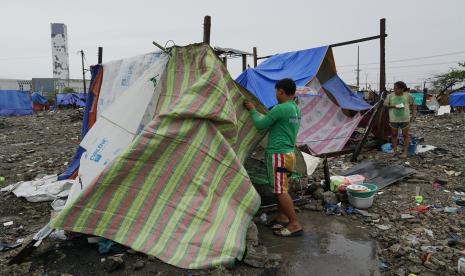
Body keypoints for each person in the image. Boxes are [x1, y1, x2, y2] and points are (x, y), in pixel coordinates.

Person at [244, 78, 303, 237]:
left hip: (279, 154)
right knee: (282, 188)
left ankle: (294, 223)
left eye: (276, 91)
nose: (275, 94)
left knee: (280, 191)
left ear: (281, 92)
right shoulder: (296, 109)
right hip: (289, 154)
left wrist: (252, 110)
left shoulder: (281, 108)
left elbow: (260, 124)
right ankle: (283, 217)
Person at [384, 81, 417, 158]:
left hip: (405, 119)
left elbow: (413, 105)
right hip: (393, 119)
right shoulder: (390, 96)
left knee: (405, 135)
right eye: (394, 88)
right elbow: (385, 105)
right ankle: (395, 151)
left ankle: (405, 152)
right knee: (394, 135)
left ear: (402, 89)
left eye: (397, 88)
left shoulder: (408, 96)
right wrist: (394, 106)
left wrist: (413, 115)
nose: (395, 90)